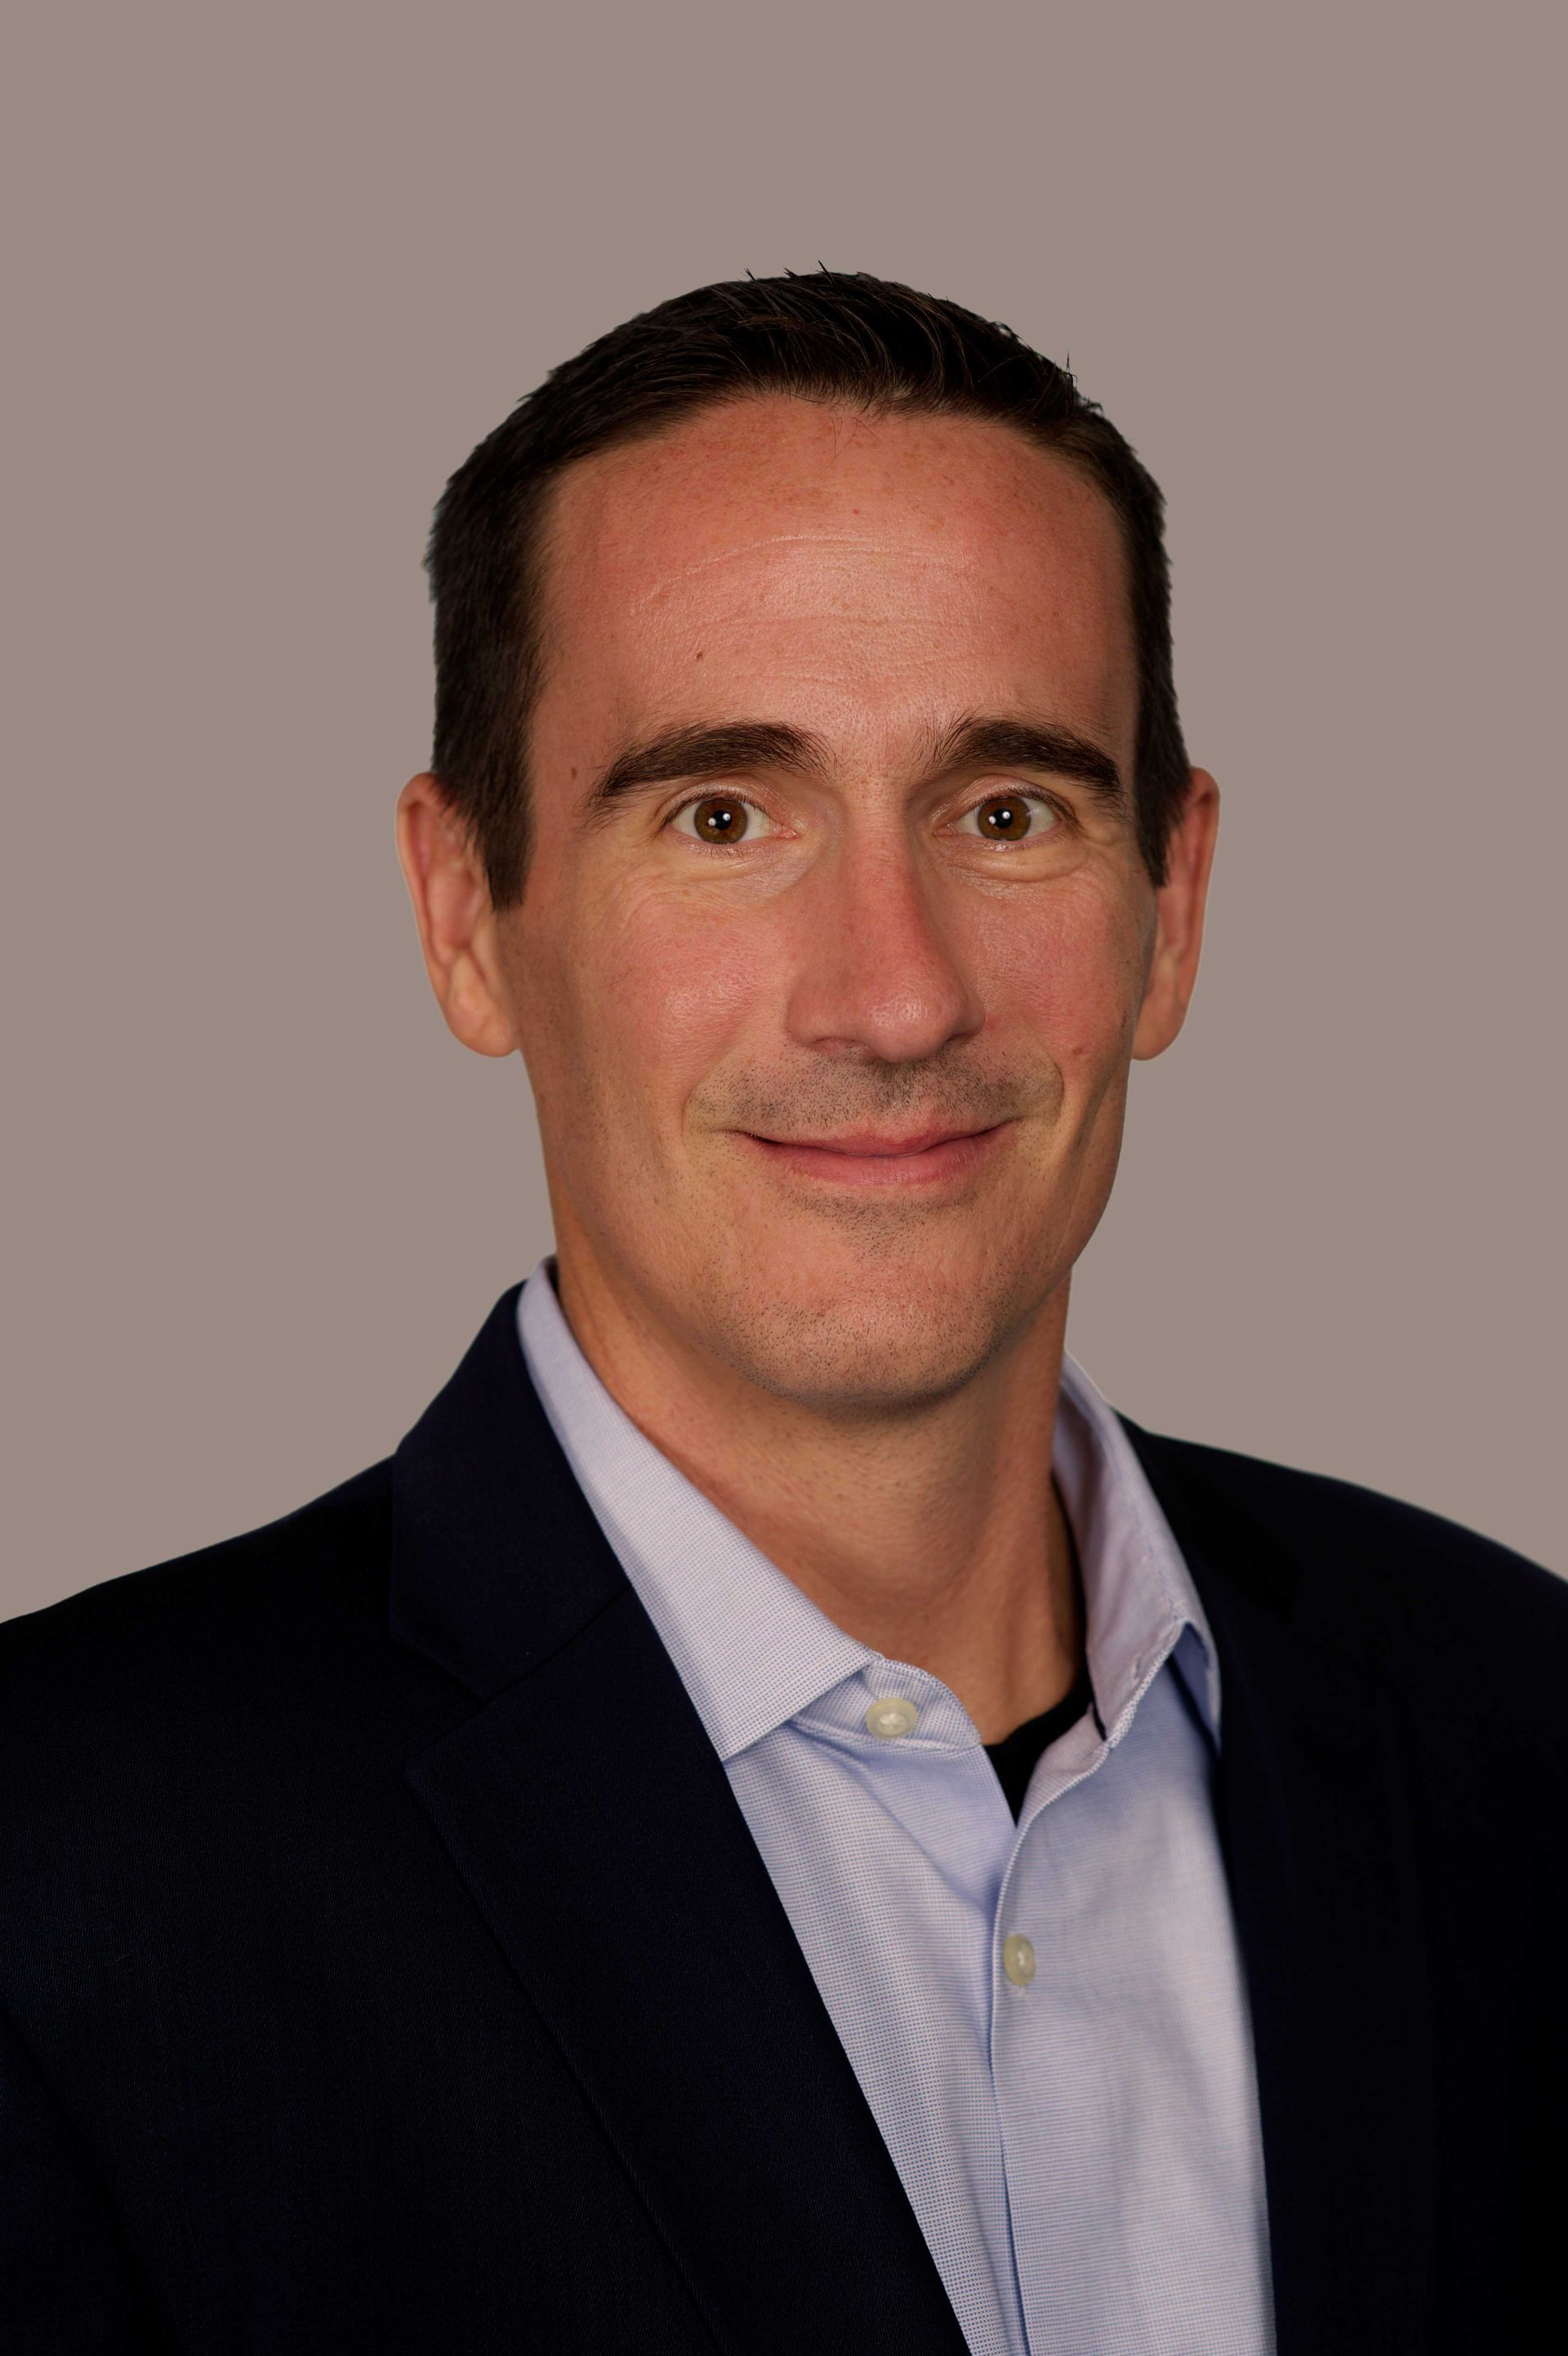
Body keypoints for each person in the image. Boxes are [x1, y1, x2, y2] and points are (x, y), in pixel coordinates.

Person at [1, 271, 1561, 2356]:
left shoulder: (1523, 1731)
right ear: (469, 918)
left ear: (1170, 907)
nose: (894, 993)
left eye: (1007, 814)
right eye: (724, 818)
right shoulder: (57, 1871)